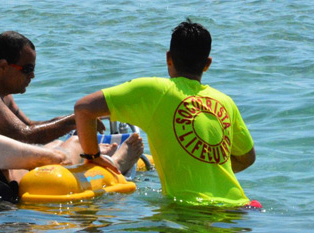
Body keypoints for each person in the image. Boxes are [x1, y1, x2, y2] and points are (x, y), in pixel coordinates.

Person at [74, 19, 257, 207]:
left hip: (190, 212)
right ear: (207, 64)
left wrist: (93, 156)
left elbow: (84, 108)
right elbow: (247, 158)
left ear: (168, 58)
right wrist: (206, 170)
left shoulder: (156, 91)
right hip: (239, 209)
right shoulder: (225, 101)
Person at [0, 87, 143, 181]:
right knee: (68, 146)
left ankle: (70, 146)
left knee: (51, 145)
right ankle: (115, 162)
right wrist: (65, 148)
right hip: (7, 195)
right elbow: (55, 160)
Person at [0, 31, 80, 144]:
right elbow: (24, 136)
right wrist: (74, 121)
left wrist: (69, 119)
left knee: (61, 144)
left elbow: (28, 125)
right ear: (3, 66)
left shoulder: (2, 94)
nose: (32, 75)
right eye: (27, 69)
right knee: (72, 144)